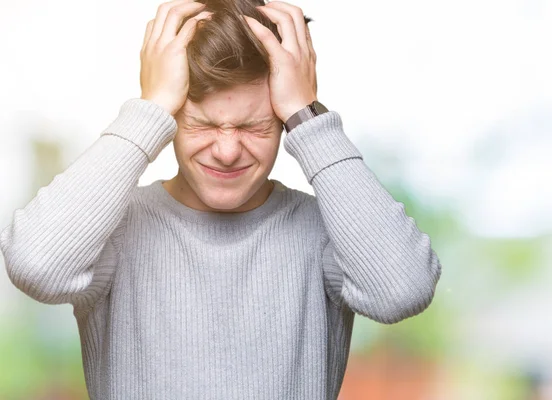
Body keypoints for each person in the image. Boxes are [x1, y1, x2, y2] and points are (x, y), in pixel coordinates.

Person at [0, 0, 442, 398]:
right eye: (202, 125)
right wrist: (148, 108)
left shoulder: (327, 230)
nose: (227, 151)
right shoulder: (112, 227)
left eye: (255, 128)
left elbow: (401, 291)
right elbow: (36, 265)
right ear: (170, 115)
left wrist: (309, 116)